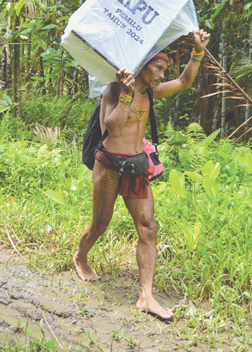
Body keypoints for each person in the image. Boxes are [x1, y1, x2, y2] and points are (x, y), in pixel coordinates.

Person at [73, 29, 210, 321]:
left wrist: (197, 51)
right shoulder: (112, 90)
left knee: (148, 227)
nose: (162, 74)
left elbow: (185, 81)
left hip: (136, 166)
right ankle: (81, 256)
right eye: (158, 68)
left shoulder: (151, 91)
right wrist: (125, 96)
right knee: (100, 224)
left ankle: (146, 296)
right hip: (109, 165)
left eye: (163, 69)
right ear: (142, 67)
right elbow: (113, 128)